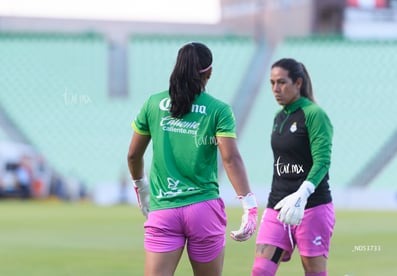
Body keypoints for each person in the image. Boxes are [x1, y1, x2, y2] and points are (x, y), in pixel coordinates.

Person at [127, 42, 258, 276]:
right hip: (203, 209)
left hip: (164, 208)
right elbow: (230, 159)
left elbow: (133, 155)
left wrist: (141, 187)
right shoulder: (218, 110)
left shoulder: (153, 103)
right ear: (209, 72)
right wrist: (249, 205)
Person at [252, 58, 335, 276]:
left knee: (314, 273)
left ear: (298, 83)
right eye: (271, 83)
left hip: (312, 206)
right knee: (261, 270)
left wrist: (302, 194)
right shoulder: (279, 117)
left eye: (281, 82)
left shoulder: (314, 114)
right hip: (277, 207)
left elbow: (323, 161)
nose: (275, 89)